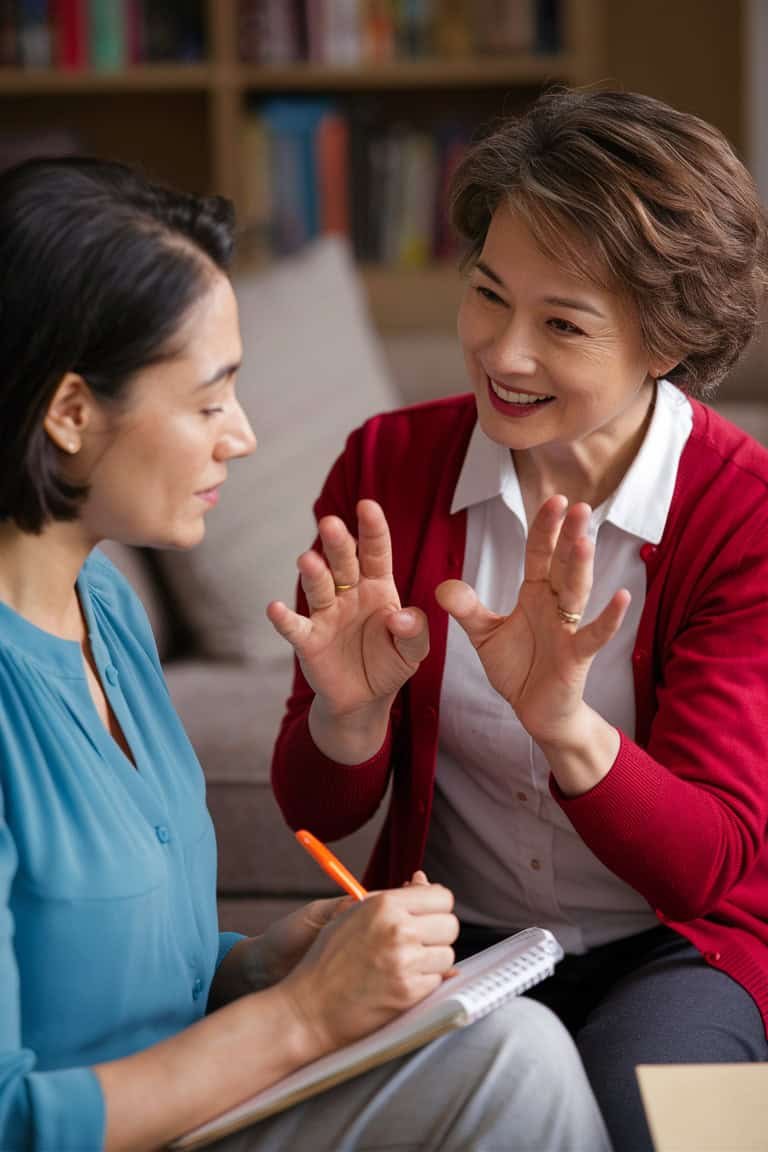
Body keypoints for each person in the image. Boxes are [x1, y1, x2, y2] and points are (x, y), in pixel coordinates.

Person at [0, 155, 611, 1152]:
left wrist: (266, 966)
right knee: (516, 1071)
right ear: (70, 414)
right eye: (209, 401)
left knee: (515, 1049)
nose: (240, 437)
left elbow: (128, 979)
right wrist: (302, 1018)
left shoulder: (101, 606)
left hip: (199, 1110)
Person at [269, 87, 768, 1152]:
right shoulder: (385, 464)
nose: (504, 351)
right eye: (489, 295)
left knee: (669, 1121)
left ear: (667, 340)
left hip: (687, 949)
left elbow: (708, 865)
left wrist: (565, 725)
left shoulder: (745, 512)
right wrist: (349, 720)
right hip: (465, 950)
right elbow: (307, 804)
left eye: (563, 324)